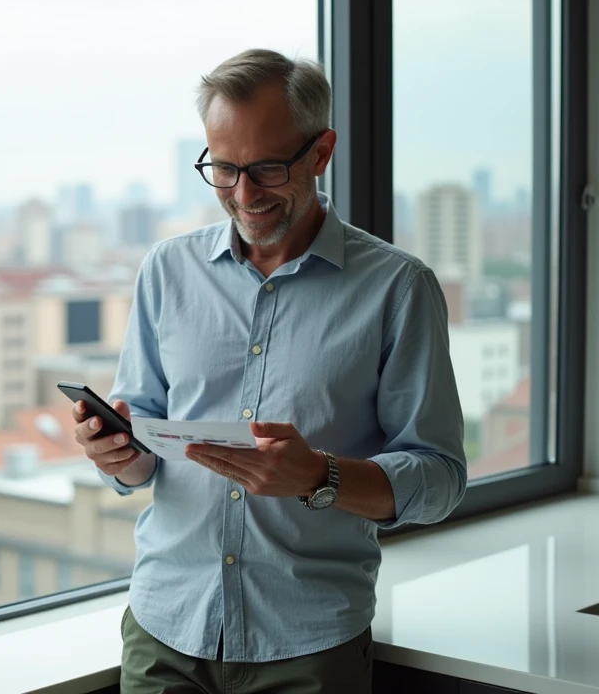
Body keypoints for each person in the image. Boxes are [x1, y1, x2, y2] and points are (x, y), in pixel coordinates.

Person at [71, 49, 467, 694]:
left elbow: (441, 480)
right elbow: (143, 446)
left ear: (321, 152)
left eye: (267, 168)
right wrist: (115, 452)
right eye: (223, 169)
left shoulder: (398, 288)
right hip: (165, 625)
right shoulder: (167, 272)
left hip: (308, 643)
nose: (244, 195)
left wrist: (321, 475)